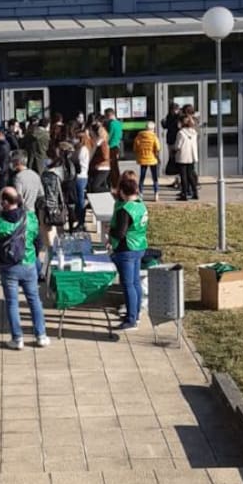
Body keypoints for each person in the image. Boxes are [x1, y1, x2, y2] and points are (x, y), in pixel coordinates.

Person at [0, 187, 49, 350]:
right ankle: (41, 335)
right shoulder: (30, 217)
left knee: (12, 303)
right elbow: (38, 241)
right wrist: (33, 257)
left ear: (4, 203)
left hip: (8, 267)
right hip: (28, 264)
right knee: (34, 300)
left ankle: (17, 338)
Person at [109, 176, 148, 332]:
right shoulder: (141, 206)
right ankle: (136, 314)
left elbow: (120, 233)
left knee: (128, 284)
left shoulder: (125, 209)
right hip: (140, 246)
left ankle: (131, 319)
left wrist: (109, 231)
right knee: (136, 282)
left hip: (127, 249)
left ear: (123, 193)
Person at [133, 120, 162, 201]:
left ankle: (140, 194)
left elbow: (135, 148)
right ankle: (156, 194)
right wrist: (157, 156)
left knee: (142, 178)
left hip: (142, 159)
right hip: (152, 159)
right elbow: (158, 148)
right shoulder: (154, 137)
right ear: (153, 128)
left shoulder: (139, 136)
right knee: (155, 177)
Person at [9, 150, 43, 216]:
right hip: (33, 214)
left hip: (22, 214)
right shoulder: (35, 175)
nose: (11, 163)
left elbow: (18, 198)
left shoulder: (18, 177)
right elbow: (41, 194)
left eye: (12, 161)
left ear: (17, 162)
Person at [174, 116, 200, 201]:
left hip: (183, 156)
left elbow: (178, 145)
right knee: (190, 175)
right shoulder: (194, 132)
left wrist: (173, 150)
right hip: (191, 156)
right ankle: (195, 192)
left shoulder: (181, 133)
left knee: (183, 176)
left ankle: (184, 194)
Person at [73, 129, 92, 230]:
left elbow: (77, 161)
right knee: (77, 200)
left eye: (77, 138)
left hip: (81, 177)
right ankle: (78, 220)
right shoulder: (79, 148)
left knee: (80, 200)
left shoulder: (83, 149)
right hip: (79, 177)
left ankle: (81, 221)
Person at [162, 103, 183, 189]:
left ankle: (181, 181)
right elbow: (167, 126)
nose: (174, 111)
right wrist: (164, 123)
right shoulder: (169, 116)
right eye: (173, 109)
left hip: (176, 140)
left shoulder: (179, 117)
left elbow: (177, 127)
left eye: (176, 109)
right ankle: (176, 180)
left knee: (177, 161)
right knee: (172, 160)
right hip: (170, 140)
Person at [87, 124, 111, 194]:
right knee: (93, 187)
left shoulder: (101, 143)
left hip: (102, 168)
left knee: (95, 187)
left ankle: (112, 191)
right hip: (97, 168)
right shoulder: (96, 143)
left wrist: (95, 160)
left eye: (91, 133)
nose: (90, 135)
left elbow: (105, 156)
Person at [105, 108, 123, 189]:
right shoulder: (119, 123)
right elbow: (120, 136)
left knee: (112, 167)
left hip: (111, 147)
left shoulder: (111, 124)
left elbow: (109, 135)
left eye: (106, 116)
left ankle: (114, 184)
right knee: (115, 166)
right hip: (117, 146)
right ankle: (118, 183)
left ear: (109, 115)